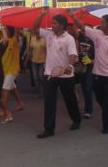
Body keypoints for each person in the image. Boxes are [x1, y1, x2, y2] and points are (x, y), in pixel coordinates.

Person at [32, 8, 81, 138]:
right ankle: (48, 129)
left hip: (66, 75)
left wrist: (70, 66)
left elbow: (72, 54)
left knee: (70, 100)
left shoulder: (69, 39)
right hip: (50, 74)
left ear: (62, 26)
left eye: (54, 23)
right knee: (49, 102)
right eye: (52, 23)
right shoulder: (49, 35)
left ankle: (76, 119)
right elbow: (34, 28)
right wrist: (41, 15)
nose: (52, 25)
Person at [0, 26, 24, 122]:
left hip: (12, 69)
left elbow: (17, 32)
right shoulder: (1, 42)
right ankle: (20, 103)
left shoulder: (14, 40)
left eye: (6, 29)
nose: (4, 30)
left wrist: (16, 24)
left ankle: (4, 110)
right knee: (12, 88)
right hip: (4, 68)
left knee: (5, 89)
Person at [26, 29, 46, 98]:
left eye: (38, 33)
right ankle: (38, 93)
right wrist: (27, 59)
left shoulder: (44, 40)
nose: (37, 34)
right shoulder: (33, 39)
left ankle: (44, 91)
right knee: (35, 78)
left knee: (41, 76)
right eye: (36, 33)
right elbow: (30, 50)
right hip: (34, 61)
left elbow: (47, 50)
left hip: (42, 61)